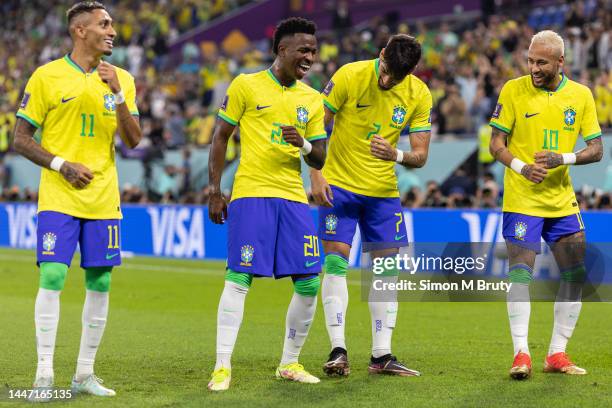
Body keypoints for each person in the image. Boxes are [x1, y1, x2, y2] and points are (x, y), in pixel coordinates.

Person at [12, 1, 141, 400]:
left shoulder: (121, 79)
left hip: (104, 200)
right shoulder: (47, 76)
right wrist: (61, 164)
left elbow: (134, 140)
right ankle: (44, 374)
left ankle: (84, 374)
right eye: (104, 24)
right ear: (80, 31)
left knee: (100, 282)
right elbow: (20, 138)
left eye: (113, 24)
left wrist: (118, 95)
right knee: (52, 276)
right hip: (59, 197)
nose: (113, 31)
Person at [207, 17, 327, 391]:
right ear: (281, 50)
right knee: (240, 277)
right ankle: (222, 365)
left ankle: (289, 362)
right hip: (252, 193)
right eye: (303, 50)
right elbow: (220, 137)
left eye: (313, 50)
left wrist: (303, 145)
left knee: (309, 281)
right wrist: (215, 189)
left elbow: (319, 157)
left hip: (293, 198)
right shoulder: (246, 84)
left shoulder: (311, 99)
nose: (309, 56)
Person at [310, 34, 432, 377]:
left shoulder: (418, 94)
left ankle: (381, 355)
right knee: (335, 263)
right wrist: (316, 174)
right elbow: (316, 124)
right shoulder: (350, 75)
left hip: (382, 192)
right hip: (340, 187)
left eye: (396, 76)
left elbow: (421, 156)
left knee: (384, 273)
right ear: (381, 55)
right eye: (386, 69)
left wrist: (395, 154)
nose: (386, 79)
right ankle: (338, 350)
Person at [489, 30, 603, 380]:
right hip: (523, 197)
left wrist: (562, 159)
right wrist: (523, 168)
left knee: (575, 274)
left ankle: (556, 353)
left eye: (541, 62)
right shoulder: (513, 90)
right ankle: (521, 352)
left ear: (560, 62)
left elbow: (596, 149)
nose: (533, 67)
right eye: (530, 60)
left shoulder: (581, 95)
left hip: (561, 199)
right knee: (521, 271)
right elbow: (496, 144)